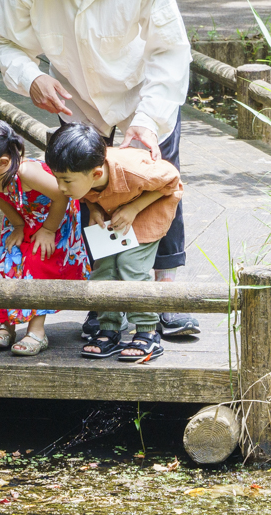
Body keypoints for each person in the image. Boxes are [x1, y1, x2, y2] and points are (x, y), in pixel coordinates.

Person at [0, 0, 200, 340]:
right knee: (86, 190)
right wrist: (32, 80)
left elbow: (169, 48)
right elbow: (4, 42)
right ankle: (104, 299)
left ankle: (161, 296)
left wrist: (148, 121)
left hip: (145, 87)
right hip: (76, 94)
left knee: (157, 182)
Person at [45, 122, 183, 362]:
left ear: (96, 174)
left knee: (131, 267)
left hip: (146, 210)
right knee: (104, 268)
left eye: (66, 181)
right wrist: (94, 207)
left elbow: (172, 181)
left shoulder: (136, 171)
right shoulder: (85, 172)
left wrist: (134, 208)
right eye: (57, 179)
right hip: (112, 212)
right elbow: (89, 193)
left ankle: (147, 330)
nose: (60, 187)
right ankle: (109, 327)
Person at [0, 113, 89, 357]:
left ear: (4, 163)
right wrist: (17, 225)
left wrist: (48, 230)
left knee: (38, 262)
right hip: (23, 216)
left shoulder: (26, 173)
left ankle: (36, 329)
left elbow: (62, 196)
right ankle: (7, 324)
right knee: (8, 260)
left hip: (54, 217)